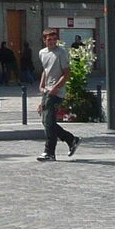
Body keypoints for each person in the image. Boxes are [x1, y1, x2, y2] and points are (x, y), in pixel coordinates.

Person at [36, 28, 81, 162]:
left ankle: (49, 152)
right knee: (46, 121)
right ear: (44, 40)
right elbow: (46, 69)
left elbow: (67, 73)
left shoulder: (61, 53)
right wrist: (41, 84)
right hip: (46, 90)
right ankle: (71, 139)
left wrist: (56, 87)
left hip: (57, 91)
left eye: (54, 39)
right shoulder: (42, 53)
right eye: (49, 39)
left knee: (49, 121)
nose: (52, 42)